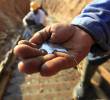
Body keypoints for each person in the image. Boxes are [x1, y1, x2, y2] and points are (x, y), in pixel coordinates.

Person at [14, 0, 110, 99]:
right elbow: (105, 6)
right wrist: (85, 28)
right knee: (94, 60)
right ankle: (85, 82)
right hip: (37, 30)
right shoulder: (30, 15)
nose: (35, 10)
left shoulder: (42, 13)